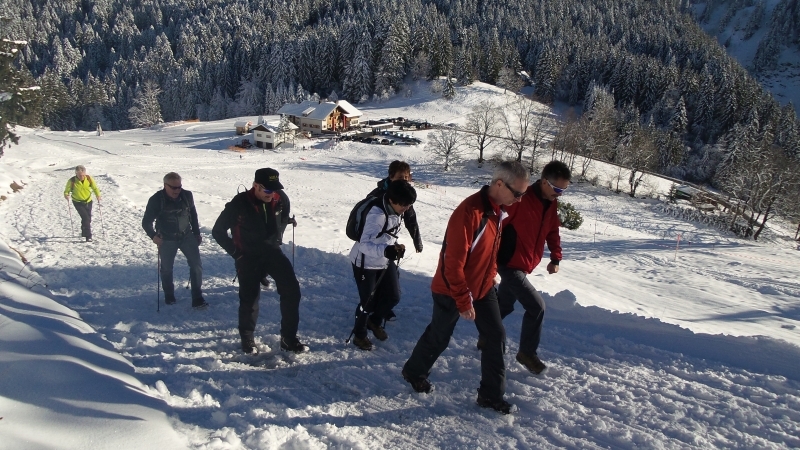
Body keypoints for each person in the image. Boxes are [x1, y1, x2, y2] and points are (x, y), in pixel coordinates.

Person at [402, 161, 529, 414]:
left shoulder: (498, 211)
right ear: (499, 184)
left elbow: (489, 251)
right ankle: (414, 371)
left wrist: (490, 275)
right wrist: (463, 300)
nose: (520, 200)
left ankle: (490, 396)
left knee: (496, 336)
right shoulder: (470, 212)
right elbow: (453, 262)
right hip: (451, 288)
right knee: (439, 335)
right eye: (518, 193)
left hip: (482, 288)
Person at [212, 168, 306, 354]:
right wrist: (236, 253)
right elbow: (218, 231)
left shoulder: (281, 199)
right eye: (268, 190)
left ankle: (288, 338)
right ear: (256, 186)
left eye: (275, 189)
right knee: (250, 299)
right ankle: (247, 338)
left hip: (272, 252)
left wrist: (278, 237)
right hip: (247, 256)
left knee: (292, 290)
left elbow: (282, 217)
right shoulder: (239, 203)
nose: (272, 194)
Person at [491, 160, 571, 374]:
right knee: (536, 307)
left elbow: (553, 231)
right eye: (556, 189)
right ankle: (527, 353)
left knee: (504, 306)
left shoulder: (551, 203)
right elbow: (496, 226)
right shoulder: (520, 198)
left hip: (525, 263)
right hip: (508, 263)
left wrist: (556, 258)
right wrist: (489, 261)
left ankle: (486, 336)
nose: (560, 194)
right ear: (544, 182)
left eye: (564, 189)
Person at [349, 180, 417, 350]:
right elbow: (364, 244)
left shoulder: (395, 210)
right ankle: (359, 335)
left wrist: (394, 248)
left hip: (384, 261)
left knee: (393, 296)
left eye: (409, 204)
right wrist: (387, 251)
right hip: (364, 263)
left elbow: (387, 236)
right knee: (368, 302)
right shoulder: (376, 215)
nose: (407, 208)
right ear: (392, 200)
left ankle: (374, 321)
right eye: (404, 204)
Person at [367, 160, 424, 322]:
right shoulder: (379, 195)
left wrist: (416, 240)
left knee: (391, 276)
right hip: (373, 247)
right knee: (376, 279)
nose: (404, 180)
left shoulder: (403, 194)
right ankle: (373, 310)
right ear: (391, 177)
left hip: (389, 245)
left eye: (407, 177)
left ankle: (383, 308)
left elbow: (410, 218)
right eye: (400, 177)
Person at [142, 172, 207, 309]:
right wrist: (153, 236)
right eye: (174, 188)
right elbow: (146, 222)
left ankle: (197, 297)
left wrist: (197, 233)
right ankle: (169, 295)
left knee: (196, 265)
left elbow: (193, 215)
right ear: (165, 186)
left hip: (186, 235)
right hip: (166, 238)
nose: (177, 190)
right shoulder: (156, 199)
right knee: (166, 269)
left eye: (179, 187)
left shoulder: (187, 195)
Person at [63, 165, 101, 242]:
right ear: (76, 174)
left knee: (88, 218)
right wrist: (66, 195)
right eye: (80, 175)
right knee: (85, 218)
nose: (82, 177)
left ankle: (84, 232)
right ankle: (88, 236)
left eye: (83, 175)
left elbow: (95, 187)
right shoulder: (72, 181)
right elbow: (67, 190)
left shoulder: (89, 179)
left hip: (88, 201)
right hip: (77, 202)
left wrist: (98, 195)